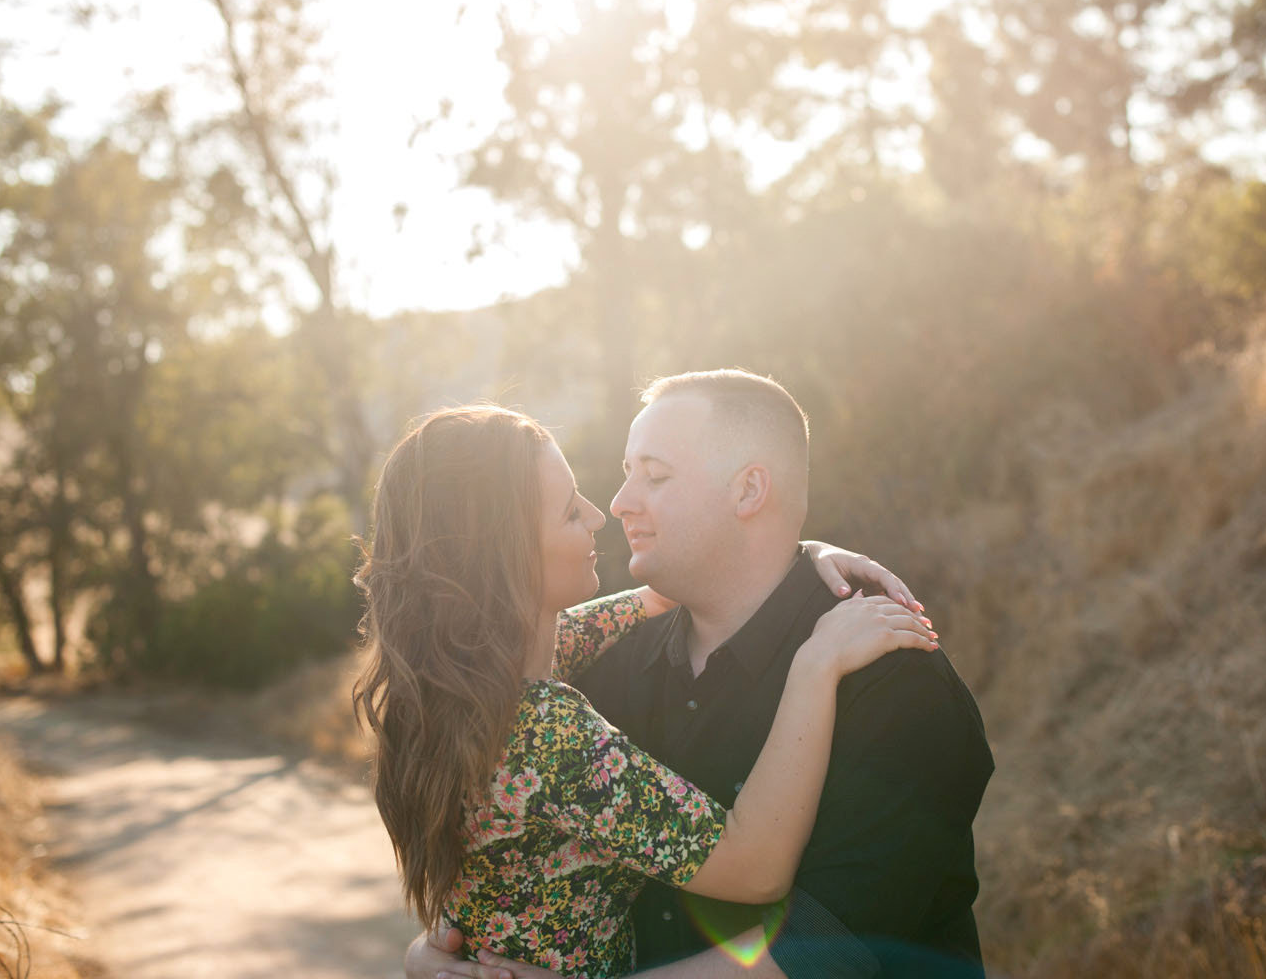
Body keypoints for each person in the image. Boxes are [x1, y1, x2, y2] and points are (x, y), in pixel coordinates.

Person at [408, 371, 993, 979]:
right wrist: (444, 953)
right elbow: (515, 869)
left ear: (748, 490)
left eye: (654, 476)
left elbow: (828, 955)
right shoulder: (593, 672)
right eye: (627, 471)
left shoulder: (889, 676)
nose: (617, 503)